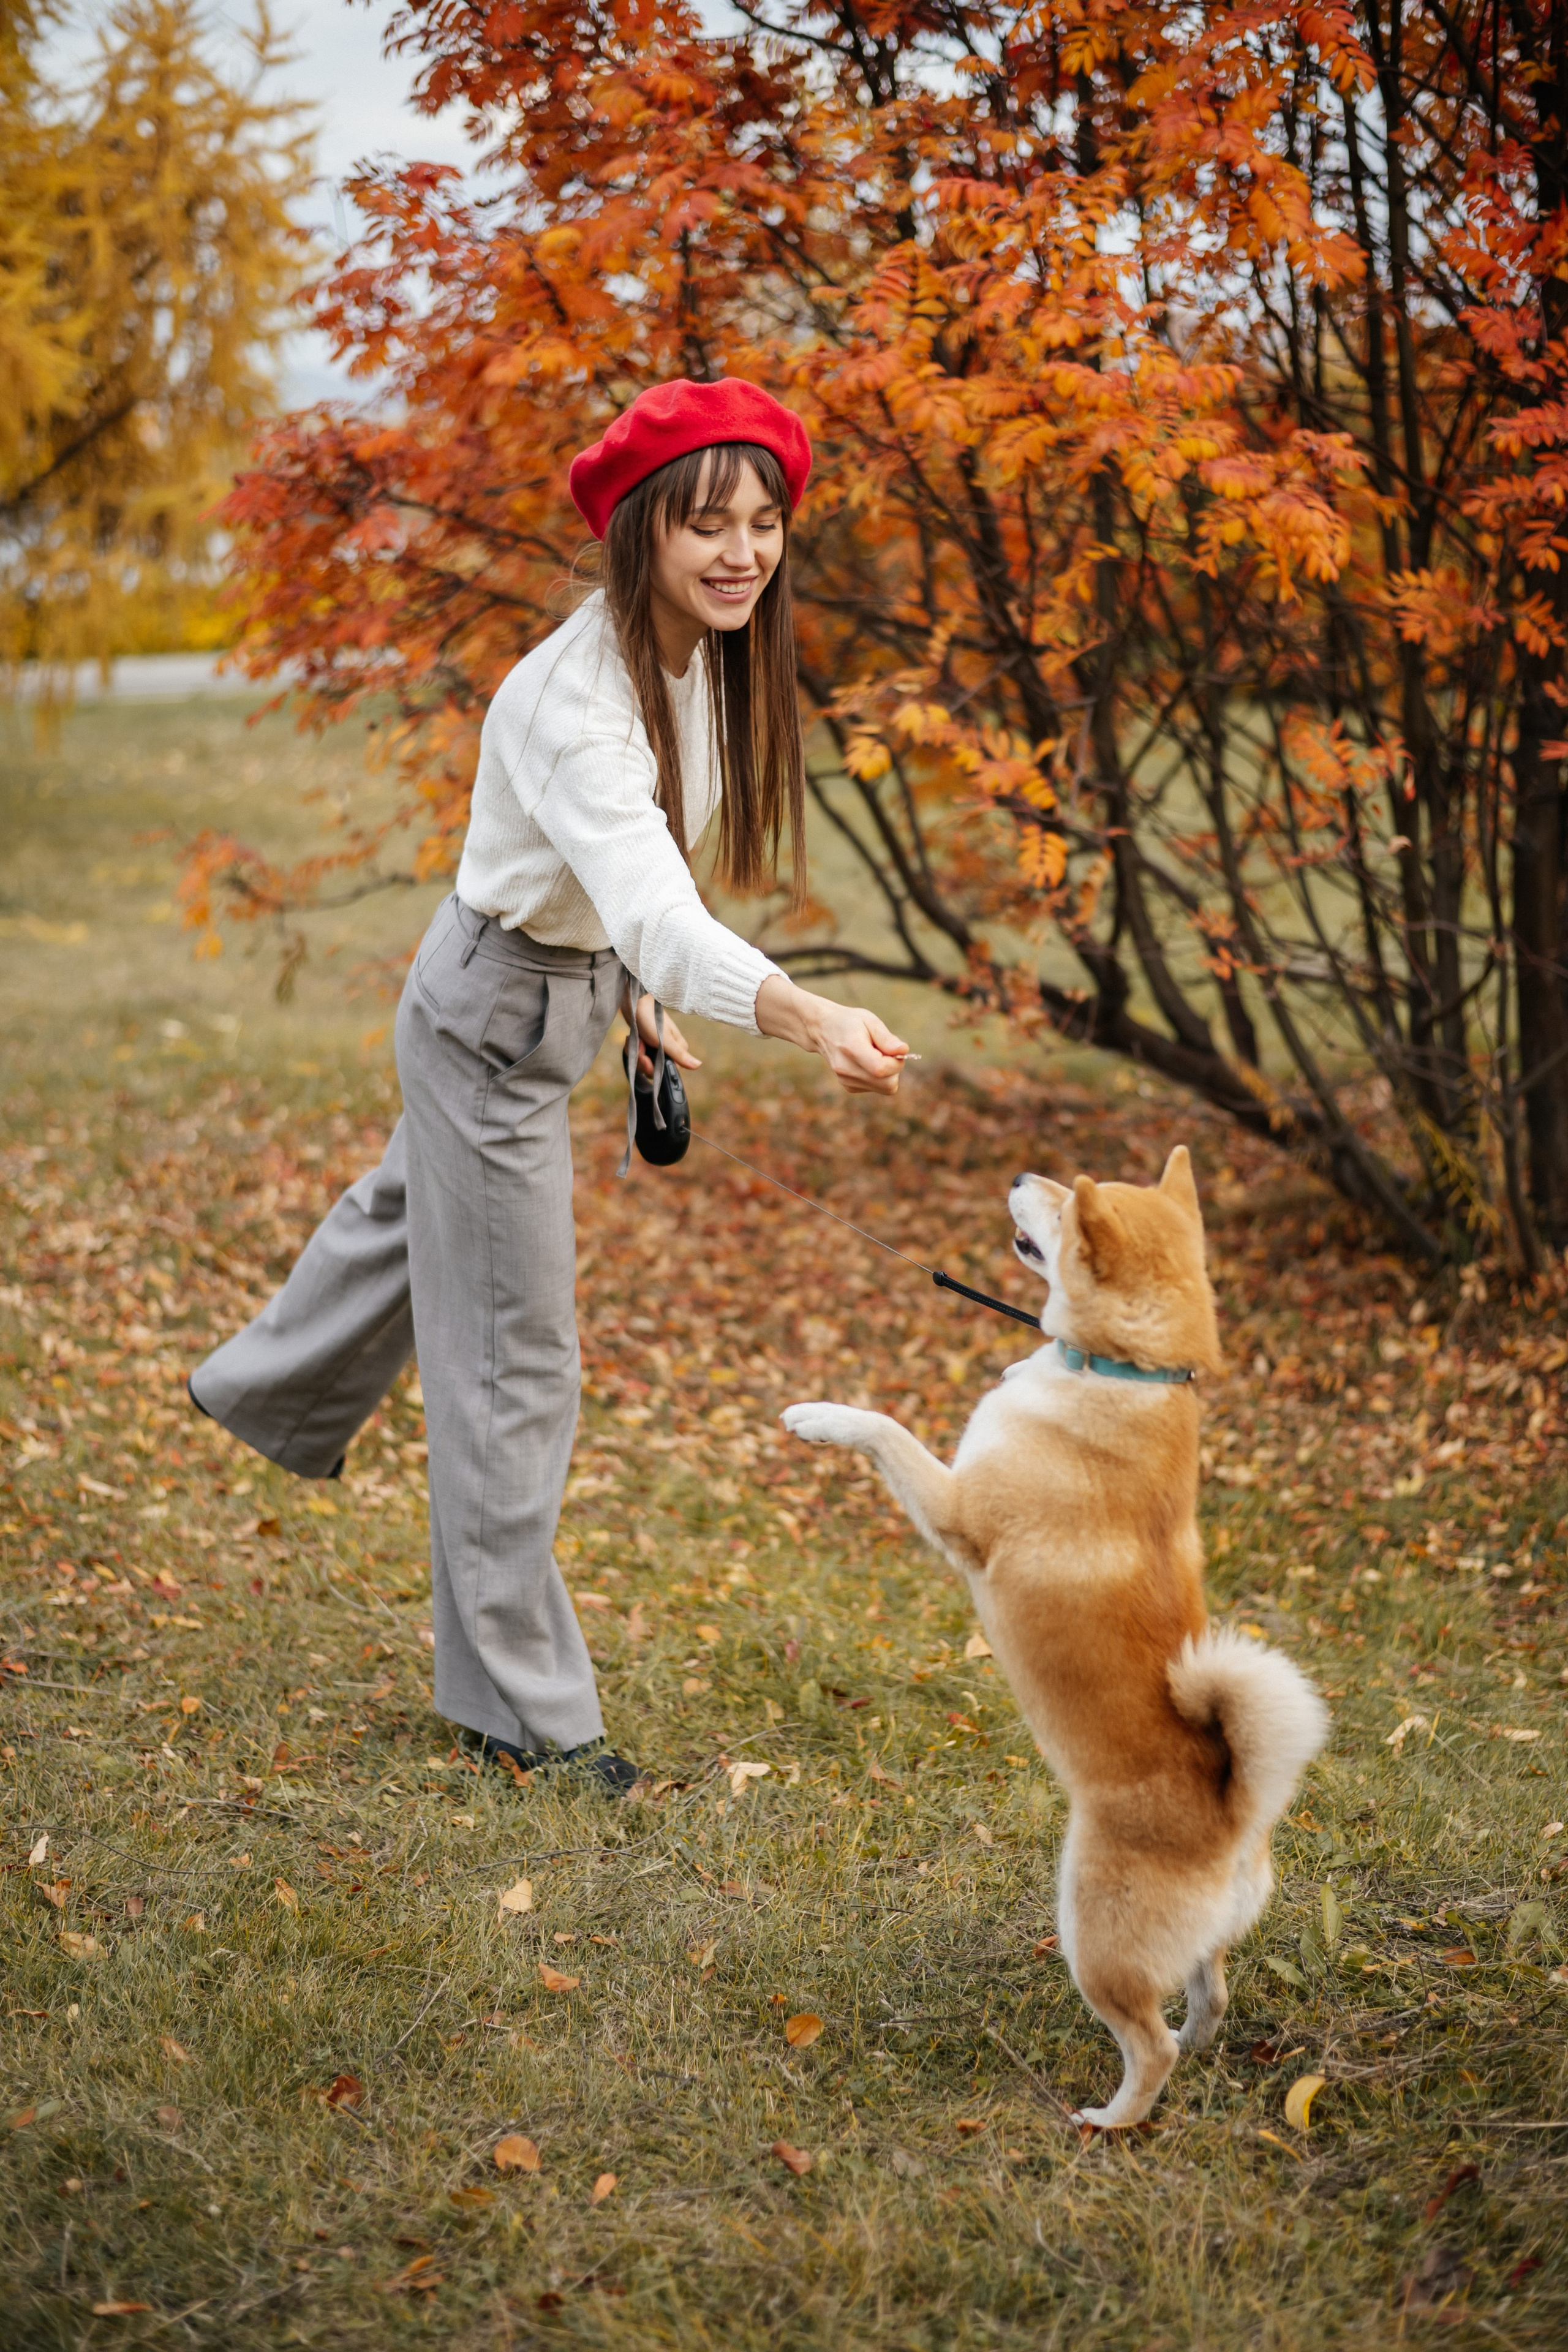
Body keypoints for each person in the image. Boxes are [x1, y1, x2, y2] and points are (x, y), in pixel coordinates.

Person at [189, 377, 909, 1793]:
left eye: (763, 523)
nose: (739, 553)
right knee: (513, 1362)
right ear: (640, 531)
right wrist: (800, 1010)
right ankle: (517, 1712)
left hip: (554, 989)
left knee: (417, 1228)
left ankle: (262, 1389)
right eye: (707, 524)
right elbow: (651, 903)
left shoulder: (696, 657)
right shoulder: (575, 704)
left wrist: (633, 1002)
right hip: (485, 1020)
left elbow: (627, 884)